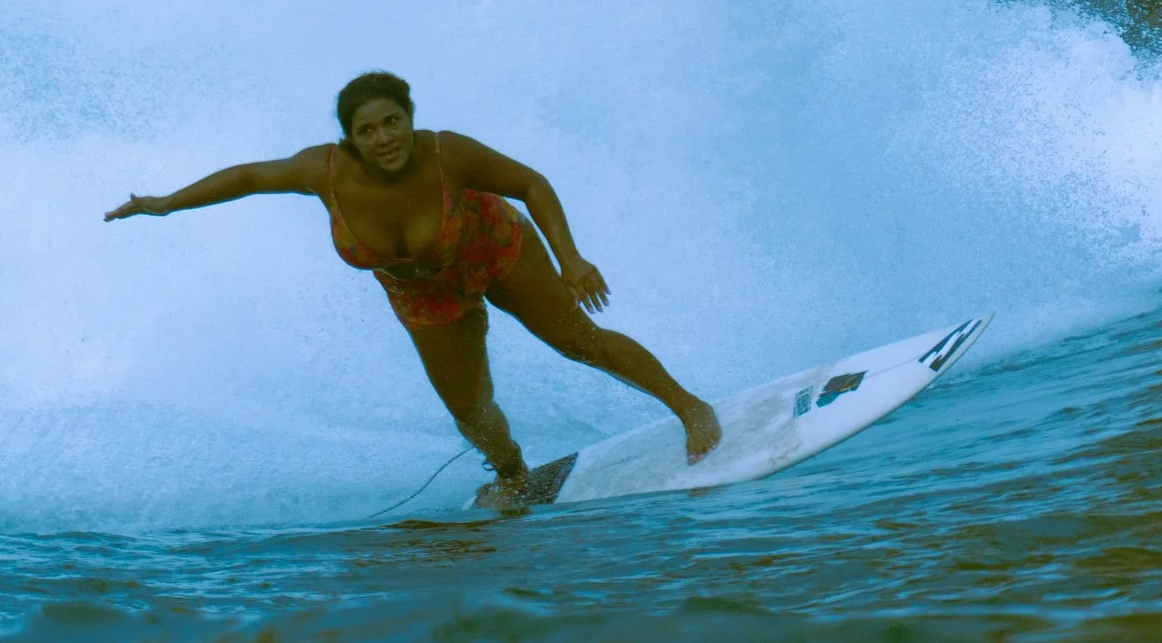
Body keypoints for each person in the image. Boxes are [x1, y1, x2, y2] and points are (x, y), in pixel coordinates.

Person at [105, 70, 721, 496]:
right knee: (470, 411)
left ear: (409, 117)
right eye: (367, 130)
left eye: (392, 121)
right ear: (349, 137)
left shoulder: (447, 153)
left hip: (491, 248)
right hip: (423, 295)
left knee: (579, 342)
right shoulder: (324, 171)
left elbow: (530, 183)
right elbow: (245, 176)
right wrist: (165, 204)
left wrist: (571, 258)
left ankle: (690, 407)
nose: (384, 138)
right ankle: (512, 475)